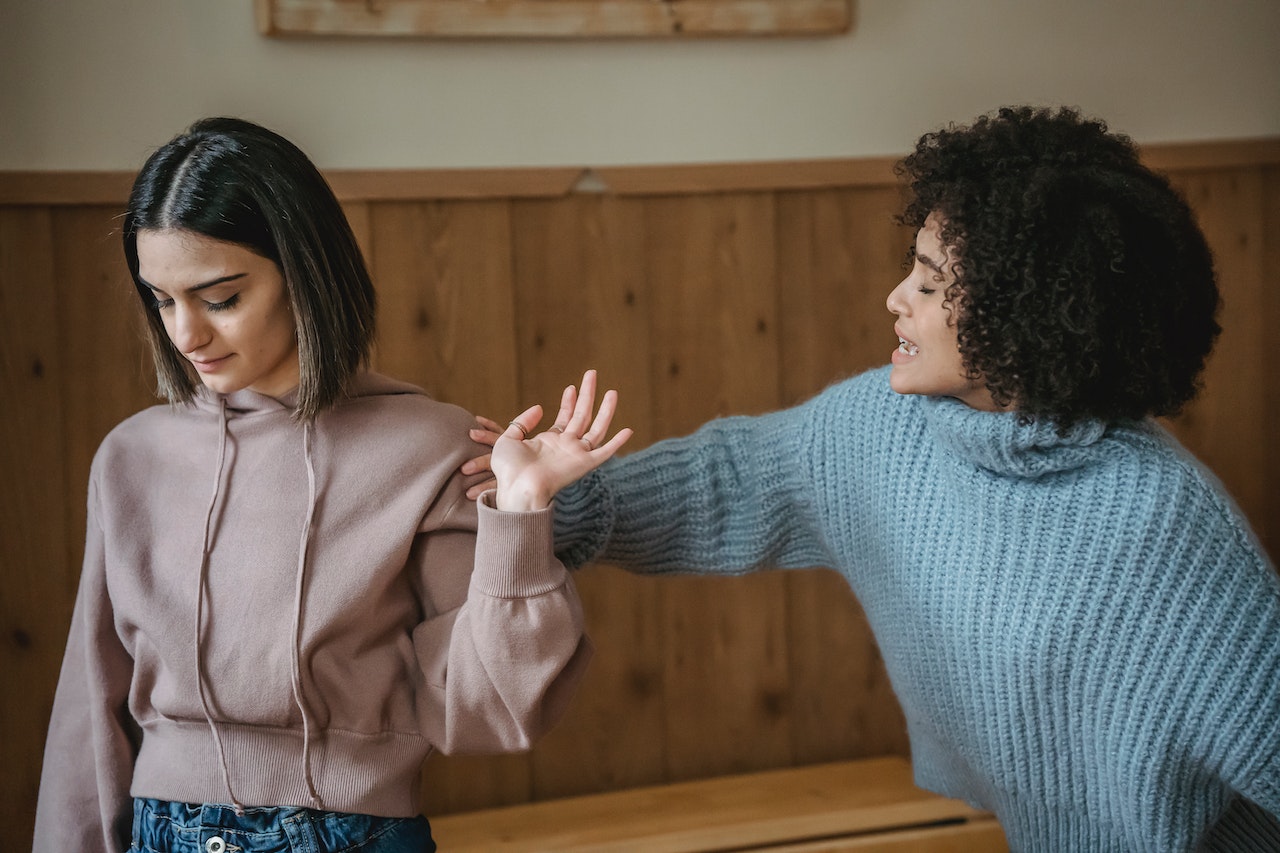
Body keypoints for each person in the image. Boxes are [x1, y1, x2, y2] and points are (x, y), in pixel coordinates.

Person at [464, 106, 1280, 851]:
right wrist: (546, 502)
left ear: (1027, 315)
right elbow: (728, 483)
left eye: (930, 283)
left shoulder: (1162, 518)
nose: (896, 298)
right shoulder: (883, 428)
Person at [33, 117, 631, 853]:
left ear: (304, 274)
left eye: (219, 298)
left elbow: (492, 709)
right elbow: (89, 706)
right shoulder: (130, 458)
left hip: (348, 835)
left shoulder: (429, 448)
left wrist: (521, 512)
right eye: (162, 299)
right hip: (162, 833)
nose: (185, 335)